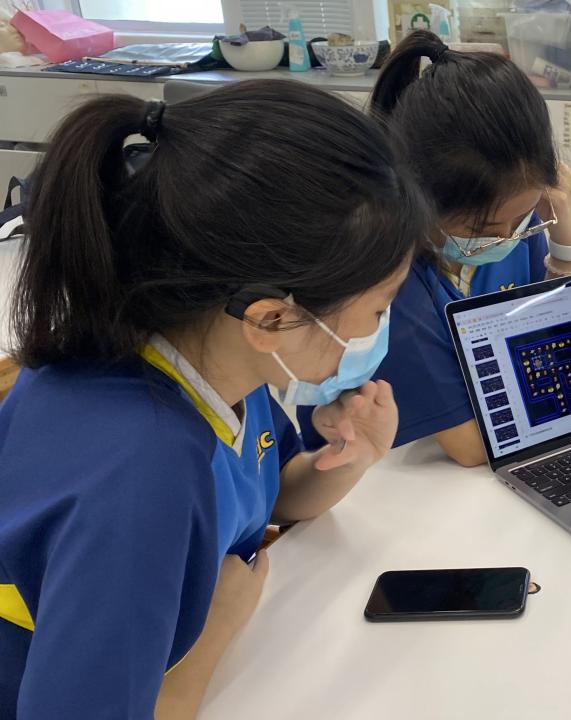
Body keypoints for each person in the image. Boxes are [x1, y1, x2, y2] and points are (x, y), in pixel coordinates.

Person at [0, 81, 429, 718]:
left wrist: (348, 458)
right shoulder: (141, 471)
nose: (380, 329)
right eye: (379, 307)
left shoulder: (213, 363)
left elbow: (266, 494)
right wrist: (215, 631)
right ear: (270, 319)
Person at [296, 30, 571, 466]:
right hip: (383, 475)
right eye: (485, 228)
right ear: (420, 199)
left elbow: (554, 334)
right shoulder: (391, 281)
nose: (508, 238)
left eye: (523, 217)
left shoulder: (513, 222)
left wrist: (561, 231)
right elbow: (471, 446)